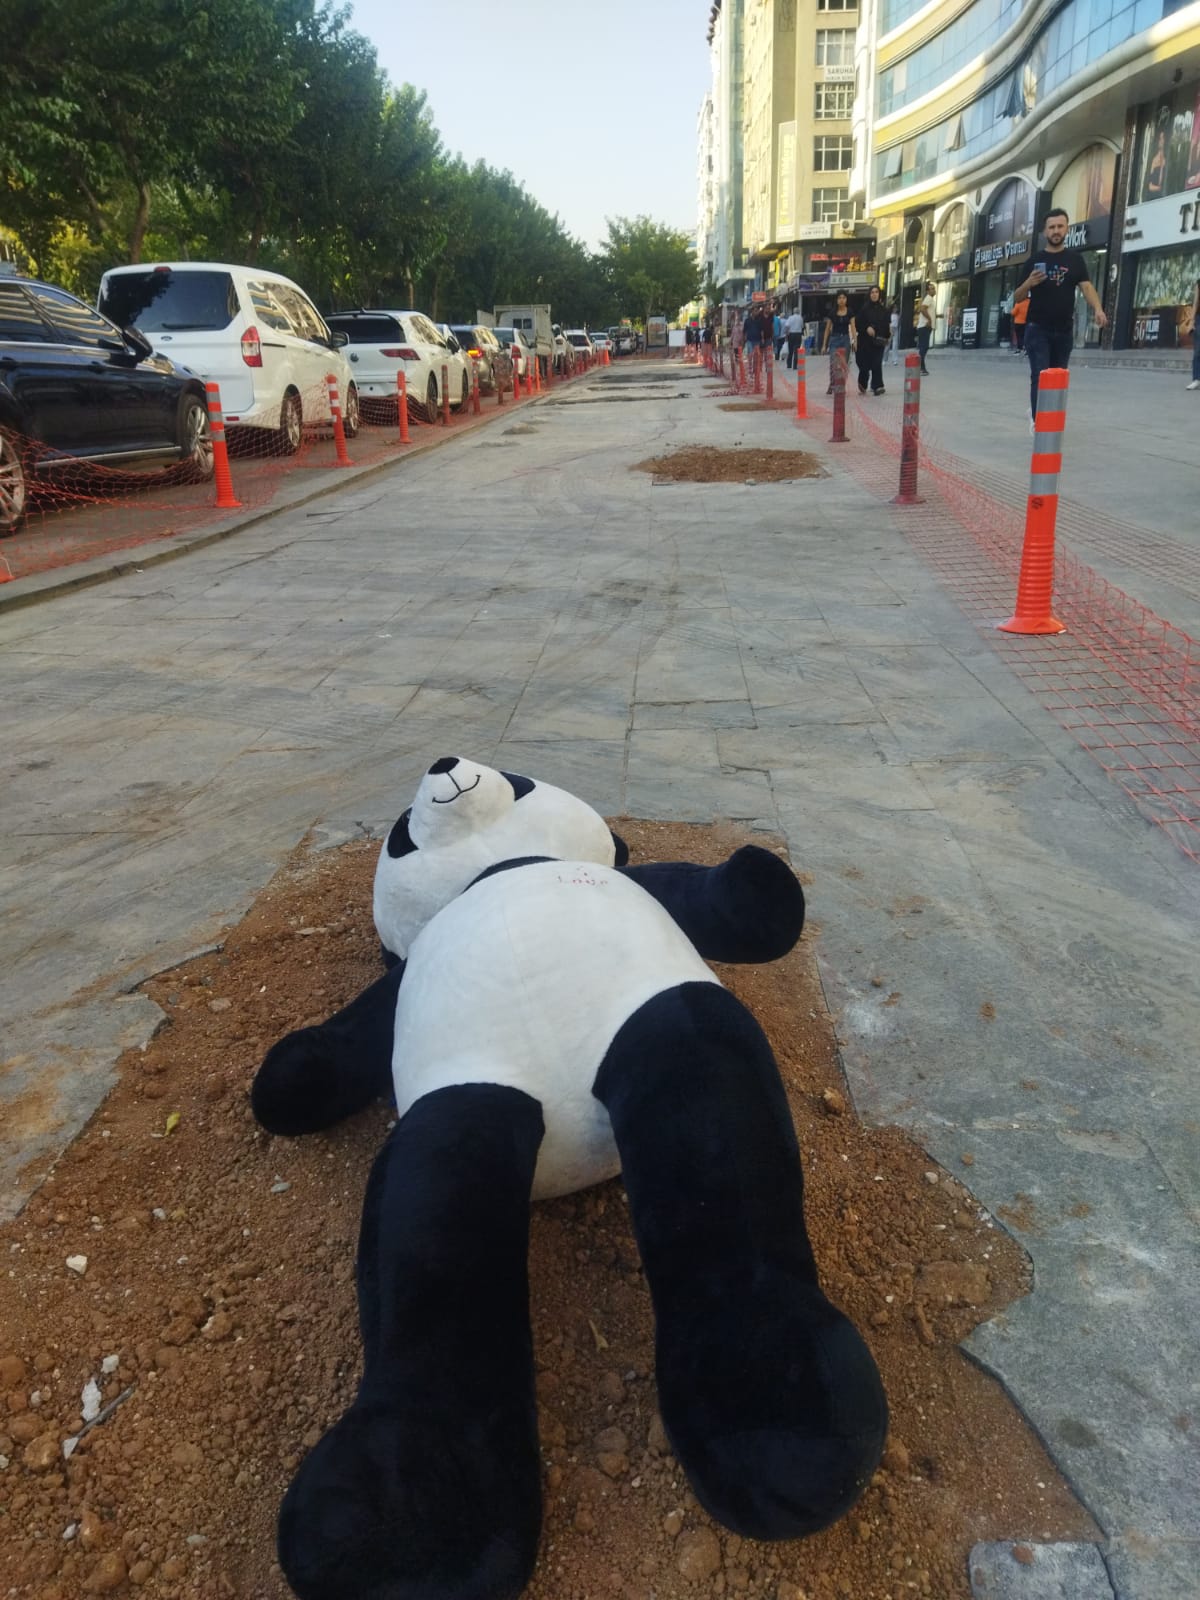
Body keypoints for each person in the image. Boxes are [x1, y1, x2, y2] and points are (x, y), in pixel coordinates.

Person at [1013, 206, 1108, 429]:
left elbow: (1086, 287)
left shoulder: (1075, 260)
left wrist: (1098, 309)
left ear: (1066, 229)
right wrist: (1029, 283)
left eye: (1060, 226)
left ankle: (1047, 417)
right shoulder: (1034, 260)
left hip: (1064, 330)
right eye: (1051, 227)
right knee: (1040, 374)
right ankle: (1039, 422)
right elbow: (1017, 297)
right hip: (1037, 329)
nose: (1056, 231)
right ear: (1045, 232)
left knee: (1057, 378)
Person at [853, 285, 890, 396]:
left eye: (876, 292)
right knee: (863, 365)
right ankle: (863, 383)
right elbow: (858, 323)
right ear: (869, 295)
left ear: (879, 294)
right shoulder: (864, 309)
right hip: (864, 342)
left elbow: (886, 325)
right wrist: (866, 328)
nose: (874, 294)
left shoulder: (884, 310)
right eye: (872, 292)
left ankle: (877, 386)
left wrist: (887, 336)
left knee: (876, 363)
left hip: (878, 342)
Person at [821, 293, 854, 394]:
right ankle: (832, 383)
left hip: (845, 339)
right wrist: (824, 345)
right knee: (833, 362)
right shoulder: (832, 313)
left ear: (846, 299)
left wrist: (855, 342)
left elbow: (853, 327)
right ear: (836, 300)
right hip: (834, 339)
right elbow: (827, 330)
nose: (841, 300)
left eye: (844, 298)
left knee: (844, 364)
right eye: (839, 298)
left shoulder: (850, 312)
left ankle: (841, 384)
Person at [914, 282, 936, 375]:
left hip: (925, 326)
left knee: (924, 347)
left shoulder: (930, 299)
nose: (934, 290)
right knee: (924, 347)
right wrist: (930, 320)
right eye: (931, 289)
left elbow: (926, 310)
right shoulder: (929, 298)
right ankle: (921, 368)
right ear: (927, 291)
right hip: (924, 326)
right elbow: (923, 309)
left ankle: (921, 367)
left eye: (934, 288)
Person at [1189, 279, 1200, 391]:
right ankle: (1196, 380)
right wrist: (1192, 321)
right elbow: (1196, 302)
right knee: (1198, 350)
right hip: (1199, 318)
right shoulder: (1199, 283)